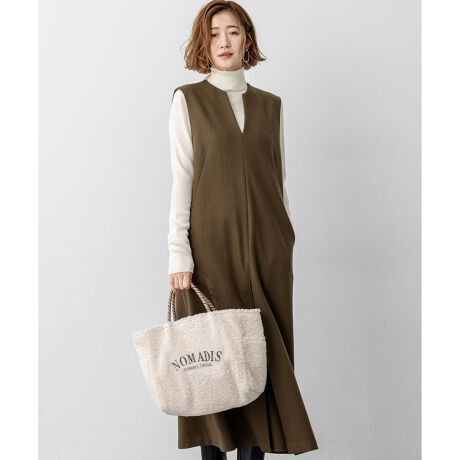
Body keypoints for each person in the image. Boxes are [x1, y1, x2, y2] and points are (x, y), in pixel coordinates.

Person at [167, 1, 319, 458]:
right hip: (210, 250)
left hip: (269, 251)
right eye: (214, 34)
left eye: (233, 32)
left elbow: (278, 179)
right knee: (216, 359)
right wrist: (178, 252)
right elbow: (182, 179)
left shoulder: (271, 106)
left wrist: (285, 239)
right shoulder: (188, 100)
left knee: (263, 360)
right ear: (203, 43)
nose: (224, 42)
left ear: (247, 39)